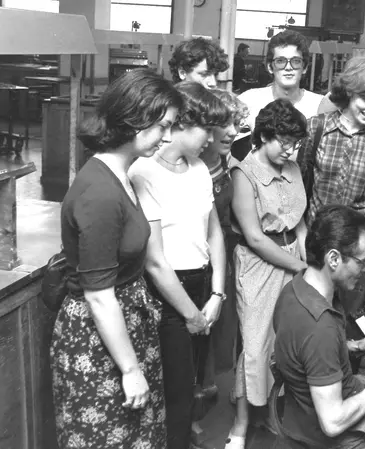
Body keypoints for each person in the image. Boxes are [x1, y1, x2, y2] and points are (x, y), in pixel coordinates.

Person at [51, 68, 180, 449]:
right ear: (135, 121)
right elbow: (98, 295)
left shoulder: (121, 174)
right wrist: (130, 369)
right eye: (163, 127)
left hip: (124, 326)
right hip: (96, 340)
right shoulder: (100, 193)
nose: (168, 137)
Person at [129, 81, 231, 449]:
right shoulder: (143, 172)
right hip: (168, 291)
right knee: (173, 388)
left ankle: (183, 439)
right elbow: (155, 261)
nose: (213, 137)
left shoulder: (201, 167)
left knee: (191, 384)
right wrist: (191, 313)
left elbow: (215, 233)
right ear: (182, 124)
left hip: (203, 285)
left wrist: (218, 291)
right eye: (207, 129)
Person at [273, 205, 365, 449]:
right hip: (324, 431)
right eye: (362, 262)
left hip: (300, 409)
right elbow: (332, 423)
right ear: (333, 258)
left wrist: (355, 345)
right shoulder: (320, 328)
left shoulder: (294, 289)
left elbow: (306, 355)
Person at [224, 99, 310, 449]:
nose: (291, 150)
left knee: (286, 342)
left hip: (294, 255)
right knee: (256, 346)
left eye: (296, 143)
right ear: (263, 136)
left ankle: (275, 415)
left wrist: (307, 261)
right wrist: (298, 267)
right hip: (260, 264)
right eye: (284, 143)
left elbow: (300, 220)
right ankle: (240, 426)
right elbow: (256, 238)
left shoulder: (293, 167)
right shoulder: (243, 173)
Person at [297, 56, 365, 334]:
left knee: (352, 323)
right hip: (314, 247)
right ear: (350, 91)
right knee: (313, 323)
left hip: (357, 254)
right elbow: (302, 184)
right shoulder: (316, 128)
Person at [197, 88, 249, 399]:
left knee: (216, 337)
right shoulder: (190, 165)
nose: (232, 132)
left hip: (223, 258)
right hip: (196, 263)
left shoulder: (226, 160)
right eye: (225, 124)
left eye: (237, 124)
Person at [238, 30, 325, 139]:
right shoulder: (248, 101)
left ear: (305, 67)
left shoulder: (320, 106)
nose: (288, 67)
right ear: (270, 67)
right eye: (280, 61)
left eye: (296, 61)